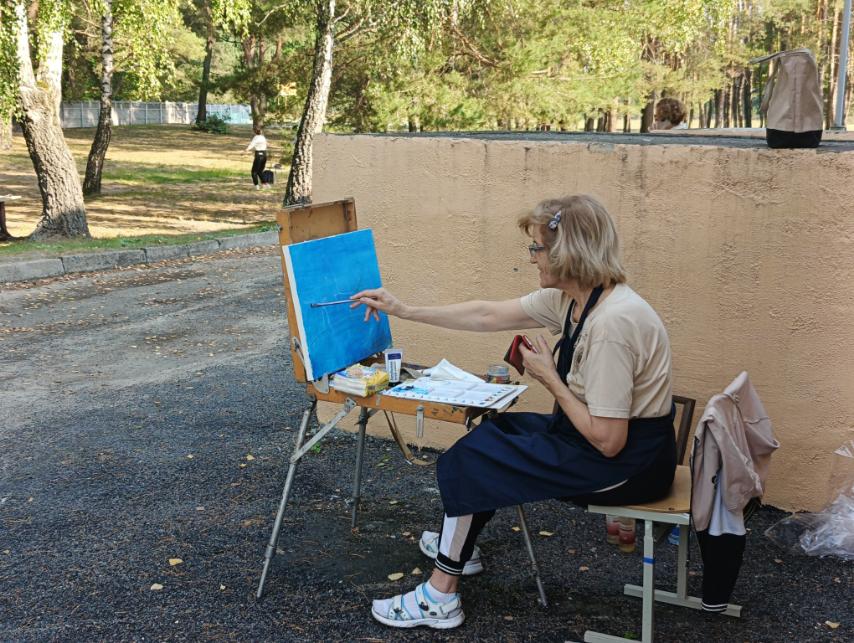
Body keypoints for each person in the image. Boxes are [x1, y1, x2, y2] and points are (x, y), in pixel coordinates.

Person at [351, 194, 676, 630]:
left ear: (566, 253)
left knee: (476, 459)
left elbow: (608, 440)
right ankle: (458, 547)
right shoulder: (577, 300)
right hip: (599, 441)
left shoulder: (612, 324)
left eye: (537, 248)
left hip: (629, 464)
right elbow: (488, 315)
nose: (531, 258)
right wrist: (403, 309)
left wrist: (551, 380)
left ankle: (439, 596)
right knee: (495, 435)